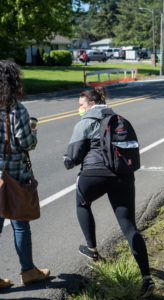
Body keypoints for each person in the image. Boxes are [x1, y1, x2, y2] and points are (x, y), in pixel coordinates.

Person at [63, 86, 155, 298]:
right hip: (122, 174)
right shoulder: (119, 118)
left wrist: (66, 160)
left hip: (94, 174)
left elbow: (72, 158)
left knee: (82, 202)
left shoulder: (85, 122)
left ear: (92, 104)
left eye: (81, 105)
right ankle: (146, 278)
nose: (79, 110)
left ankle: (92, 249)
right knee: (129, 225)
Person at [0, 60, 50, 290]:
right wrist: (33, 131)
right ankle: (28, 271)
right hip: (14, 175)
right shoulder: (16, 109)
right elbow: (26, 143)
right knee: (20, 224)